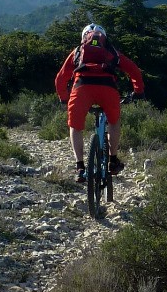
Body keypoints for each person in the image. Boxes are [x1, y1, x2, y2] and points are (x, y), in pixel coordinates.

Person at [55, 23, 145, 182]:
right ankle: (113, 160)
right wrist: (138, 91)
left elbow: (60, 78)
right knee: (114, 122)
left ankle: (80, 166)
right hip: (107, 88)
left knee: (75, 127)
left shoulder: (77, 51)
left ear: (83, 37)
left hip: (82, 88)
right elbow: (134, 70)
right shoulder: (112, 52)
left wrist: (64, 97)